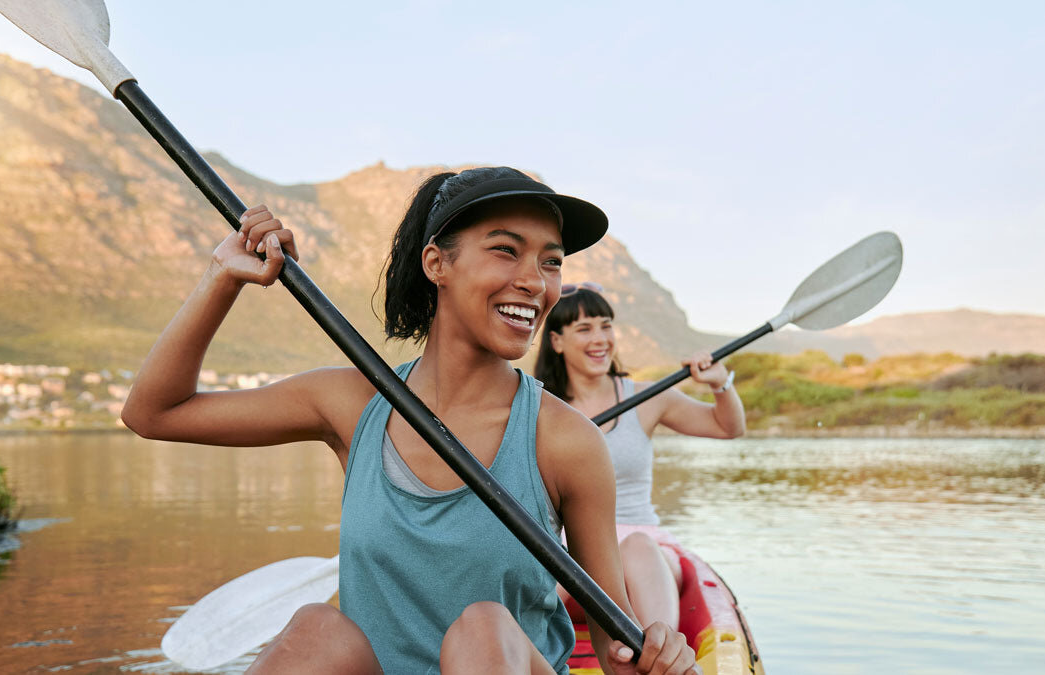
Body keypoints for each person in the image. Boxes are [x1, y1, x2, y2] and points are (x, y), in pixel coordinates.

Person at [121, 167, 699, 675]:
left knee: (483, 627)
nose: (535, 280)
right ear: (436, 263)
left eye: (551, 262)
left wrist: (655, 654)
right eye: (506, 250)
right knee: (316, 630)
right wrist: (223, 276)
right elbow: (154, 413)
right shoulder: (350, 403)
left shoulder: (566, 439)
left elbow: (615, 648)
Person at [534, 284, 746, 631]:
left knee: (637, 548)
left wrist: (720, 384)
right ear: (557, 341)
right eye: (584, 329)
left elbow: (727, 427)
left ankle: (659, 651)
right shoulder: (539, 409)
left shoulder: (648, 397)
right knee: (552, 560)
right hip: (571, 556)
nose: (600, 339)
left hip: (645, 553)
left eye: (606, 326)